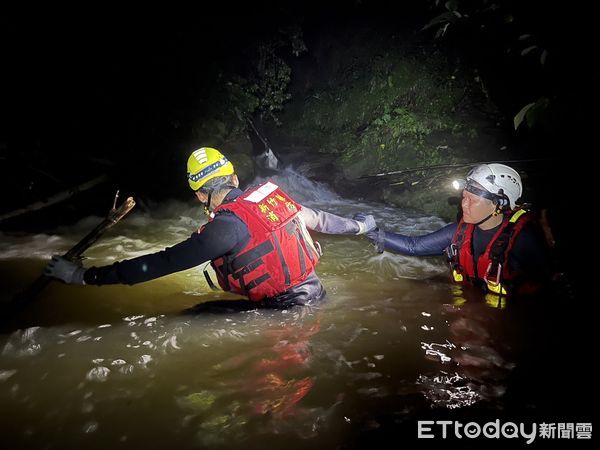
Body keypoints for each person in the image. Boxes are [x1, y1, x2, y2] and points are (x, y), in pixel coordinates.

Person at [45, 147, 376, 308]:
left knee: (196, 316)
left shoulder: (224, 228)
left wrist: (82, 276)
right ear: (234, 178)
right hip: (319, 294)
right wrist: (361, 226)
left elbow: (156, 265)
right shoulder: (274, 198)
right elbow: (321, 219)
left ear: (200, 194)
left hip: (285, 314)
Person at [357, 163, 551, 297]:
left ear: (499, 204)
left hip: (510, 308)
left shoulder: (523, 240)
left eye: (472, 200)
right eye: (463, 197)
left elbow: (548, 282)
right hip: (471, 293)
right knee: (408, 288)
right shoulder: (456, 232)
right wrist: (371, 231)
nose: (463, 205)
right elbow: (413, 246)